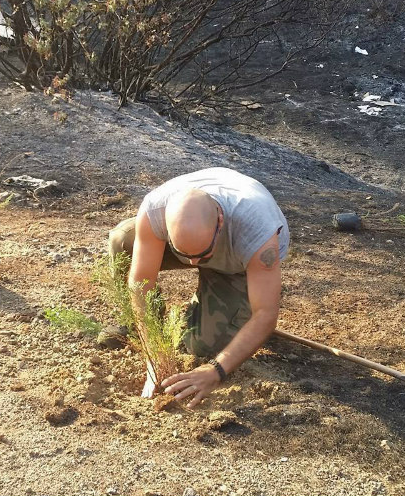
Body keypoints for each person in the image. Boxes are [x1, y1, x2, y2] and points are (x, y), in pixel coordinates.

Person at [107, 167, 289, 408]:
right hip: (200, 239)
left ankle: (245, 293)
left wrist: (215, 370)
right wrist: (153, 352)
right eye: (186, 255)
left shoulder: (258, 233)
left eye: (201, 256)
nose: (193, 264)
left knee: (202, 346)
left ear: (220, 222)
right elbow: (141, 283)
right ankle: (140, 323)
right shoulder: (155, 210)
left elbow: (266, 315)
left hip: (239, 262)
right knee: (122, 240)